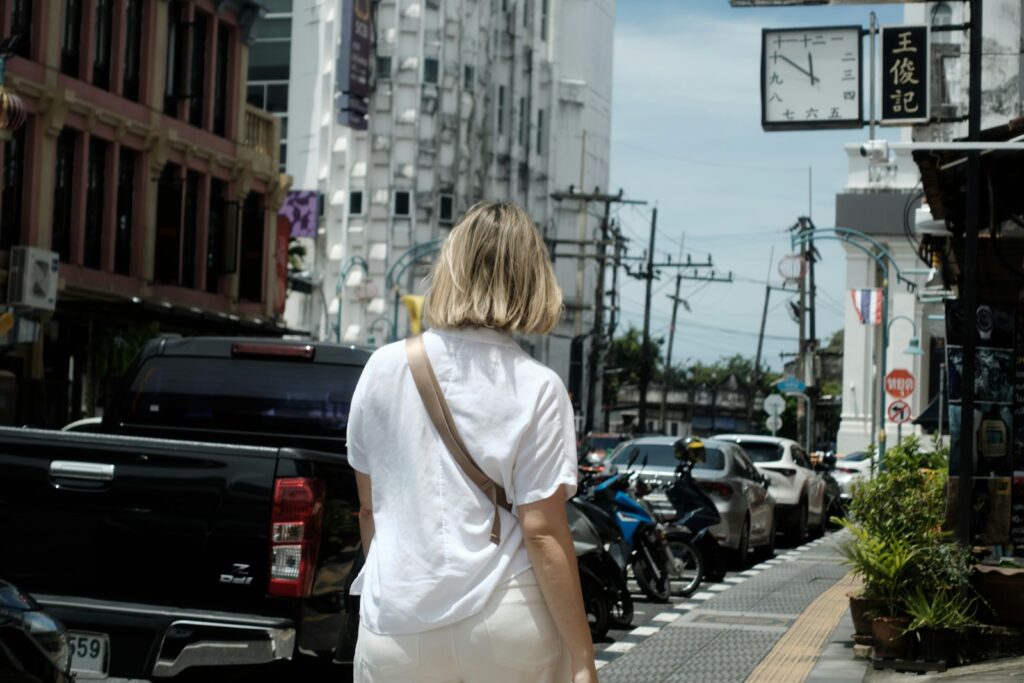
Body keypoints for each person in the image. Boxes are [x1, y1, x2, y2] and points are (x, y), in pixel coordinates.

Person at [346, 202, 598, 683]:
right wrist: (583, 659)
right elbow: (542, 530)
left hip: (397, 624)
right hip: (506, 617)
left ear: (452, 269)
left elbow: (368, 509)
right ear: (532, 279)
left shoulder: (381, 369)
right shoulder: (539, 387)